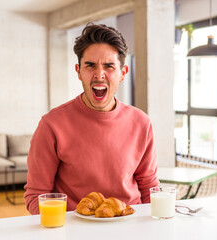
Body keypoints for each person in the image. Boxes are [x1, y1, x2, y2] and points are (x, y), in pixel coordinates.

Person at [24, 23, 159, 214]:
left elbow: (149, 186)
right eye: (90, 66)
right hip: (75, 229)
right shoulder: (52, 125)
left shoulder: (142, 123)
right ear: (78, 71)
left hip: (131, 224)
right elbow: (36, 197)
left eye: (109, 66)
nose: (99, 75)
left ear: (123, 73)